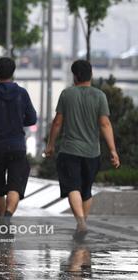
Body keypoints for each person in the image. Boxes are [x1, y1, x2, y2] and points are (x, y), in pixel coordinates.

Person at [45, 60, 120, 241]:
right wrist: (113, 151)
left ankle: (81, 223)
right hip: (92, 152)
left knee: (73, 187)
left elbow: (57, 123)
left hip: (70, 150)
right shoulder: (100, 96)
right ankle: (82, 225)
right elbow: (105, 124)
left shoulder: (67, 94)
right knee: (86, 190)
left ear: (75, 76)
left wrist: (50, 144)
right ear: (90, 75)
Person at [0, 57, 37, 220]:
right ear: (13, 72)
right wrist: (18, 121)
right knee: (15, 186)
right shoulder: (22, 93)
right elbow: (32, 118)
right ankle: (8, 215)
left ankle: (2, 222)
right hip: (17, 145)